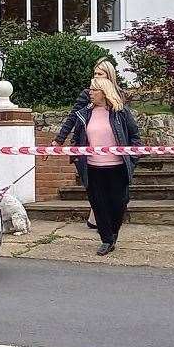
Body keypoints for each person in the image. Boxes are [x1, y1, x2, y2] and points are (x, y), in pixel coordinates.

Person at [60, 73, 140, 255]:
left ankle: (113, 233)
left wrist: (133, 159)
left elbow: (135, 137)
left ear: (104, 92)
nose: (90, 93)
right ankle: (106, 239)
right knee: (98, 204)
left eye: (94, 89)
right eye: (90, 89)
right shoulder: (84, 114)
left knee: (119, 203)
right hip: (93, 168)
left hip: (117, 167)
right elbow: (77, 138)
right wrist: (76, 156)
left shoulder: (120, 112)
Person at [59, 59, 121, 230]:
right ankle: (98, 218)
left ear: (109, 76)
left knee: (112, 189)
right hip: (87, 149)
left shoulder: (118, 96)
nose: (96, 77)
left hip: (113, 153)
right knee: (94, 188)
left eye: (100, 74)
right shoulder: (87, 95)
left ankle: (101, 218)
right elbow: (72, 118)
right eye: (95, 74)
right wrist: (58, 140)